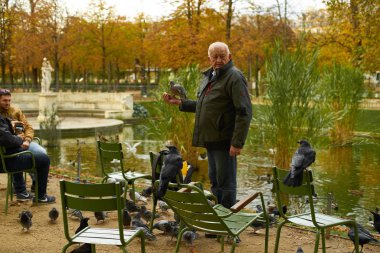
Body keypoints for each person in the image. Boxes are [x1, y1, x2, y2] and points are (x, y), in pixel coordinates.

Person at [163, 42, 252, 208]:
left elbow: (244, 112)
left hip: (225, 141)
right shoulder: (210, 76)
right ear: (209, 58)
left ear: (229, 57)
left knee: (226, 184)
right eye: (215, 57)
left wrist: (237, 143)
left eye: (222, 56)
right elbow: (205, 105)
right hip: (211, 140)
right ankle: (216, 220)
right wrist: (180, 102)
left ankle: (226, 224)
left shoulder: (234, 77)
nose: (218, 60)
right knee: (215, 182)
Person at [0, 89, 55, 203]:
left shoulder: (15, 110)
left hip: (22, 143)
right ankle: (33, 193)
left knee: (41, 152)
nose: (7, 103)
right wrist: (18, 138)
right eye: (4, 100)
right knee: (41, 159)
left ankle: (34, 184)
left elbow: (28, 127)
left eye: (9, 100)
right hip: (11, 151)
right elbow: (6, 137)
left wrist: (27, 140)